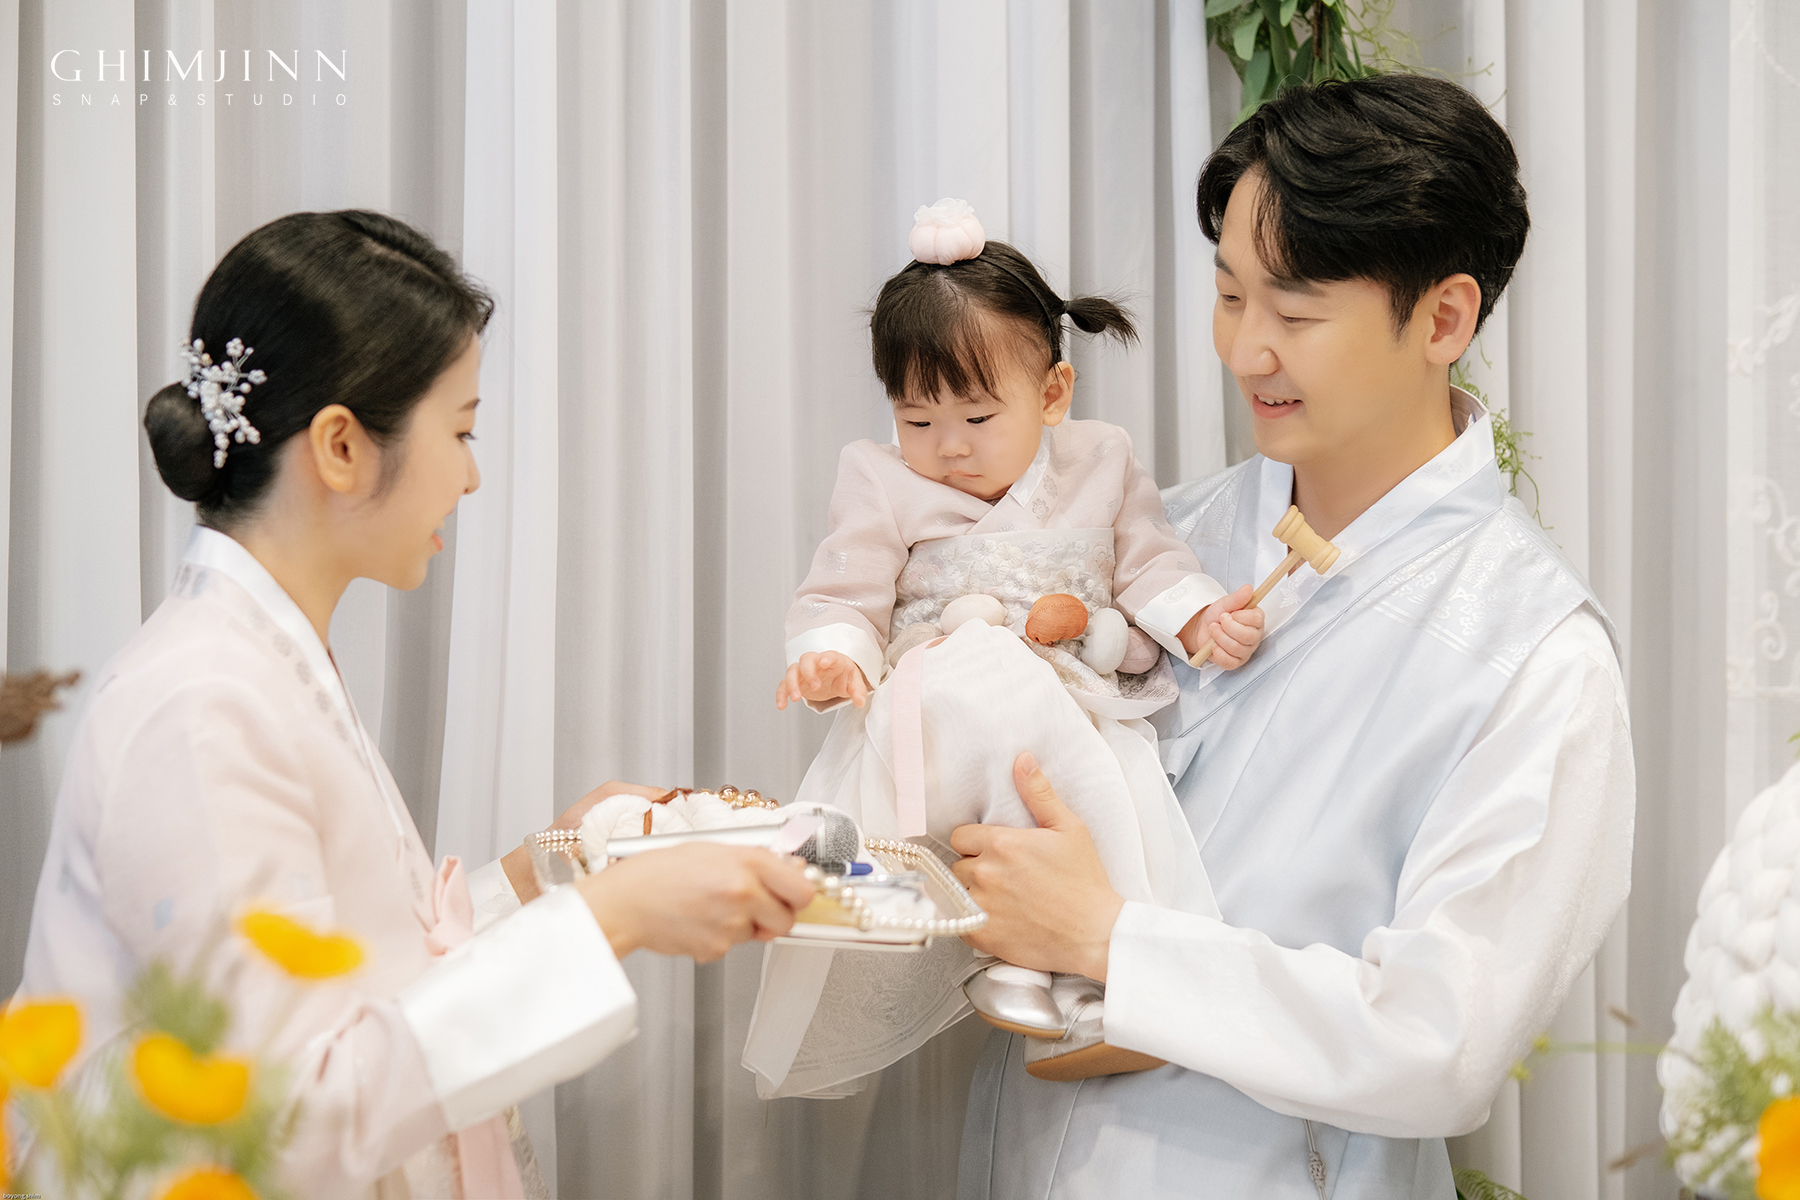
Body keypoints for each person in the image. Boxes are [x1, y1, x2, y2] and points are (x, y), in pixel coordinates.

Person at [14, 211, 815, 1199]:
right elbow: (284, 1116)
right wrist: (616, 916)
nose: (471, 476)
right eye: (462, 430)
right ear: (342, 447)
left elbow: (359, 968)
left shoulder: (259, 657)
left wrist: (544, 870)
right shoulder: (200, 704)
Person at [946, 75, 1635, 1197]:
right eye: (1229, 296)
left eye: (1297, 314)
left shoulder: (1534, 657)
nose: (1246, 350)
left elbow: (1441, 1043)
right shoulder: (1157, 539)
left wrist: (1109, 939)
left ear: (1444, 319)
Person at [751, 202, 1260, 1090]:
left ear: (1053, 394)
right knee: (992, 699)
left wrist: (1195, 618)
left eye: (979, 419)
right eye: (917, 422)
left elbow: (1150, 559)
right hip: (938, 708)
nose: (947, 449)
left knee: (1108, 788)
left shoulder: (1101, 460)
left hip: (1065, 701)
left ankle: (1088, 971)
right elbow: (844, 587)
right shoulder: (877, 478)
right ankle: (1021, 952)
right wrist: (835, 655)